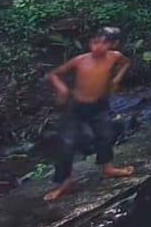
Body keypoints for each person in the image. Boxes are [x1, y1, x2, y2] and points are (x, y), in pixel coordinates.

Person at [44, 27, 133, 202]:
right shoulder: (80, 60)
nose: (97, 47)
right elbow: (53, 74)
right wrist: (62, 89)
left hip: (99, 105)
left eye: (103, 43)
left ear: (113, 44)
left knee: (105, 135)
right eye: (94, 42)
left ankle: (107, 168)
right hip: (76, 107)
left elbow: (126, 63)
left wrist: (117, 78)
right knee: (66, 144)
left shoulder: (115, 56)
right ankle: (64, 181)